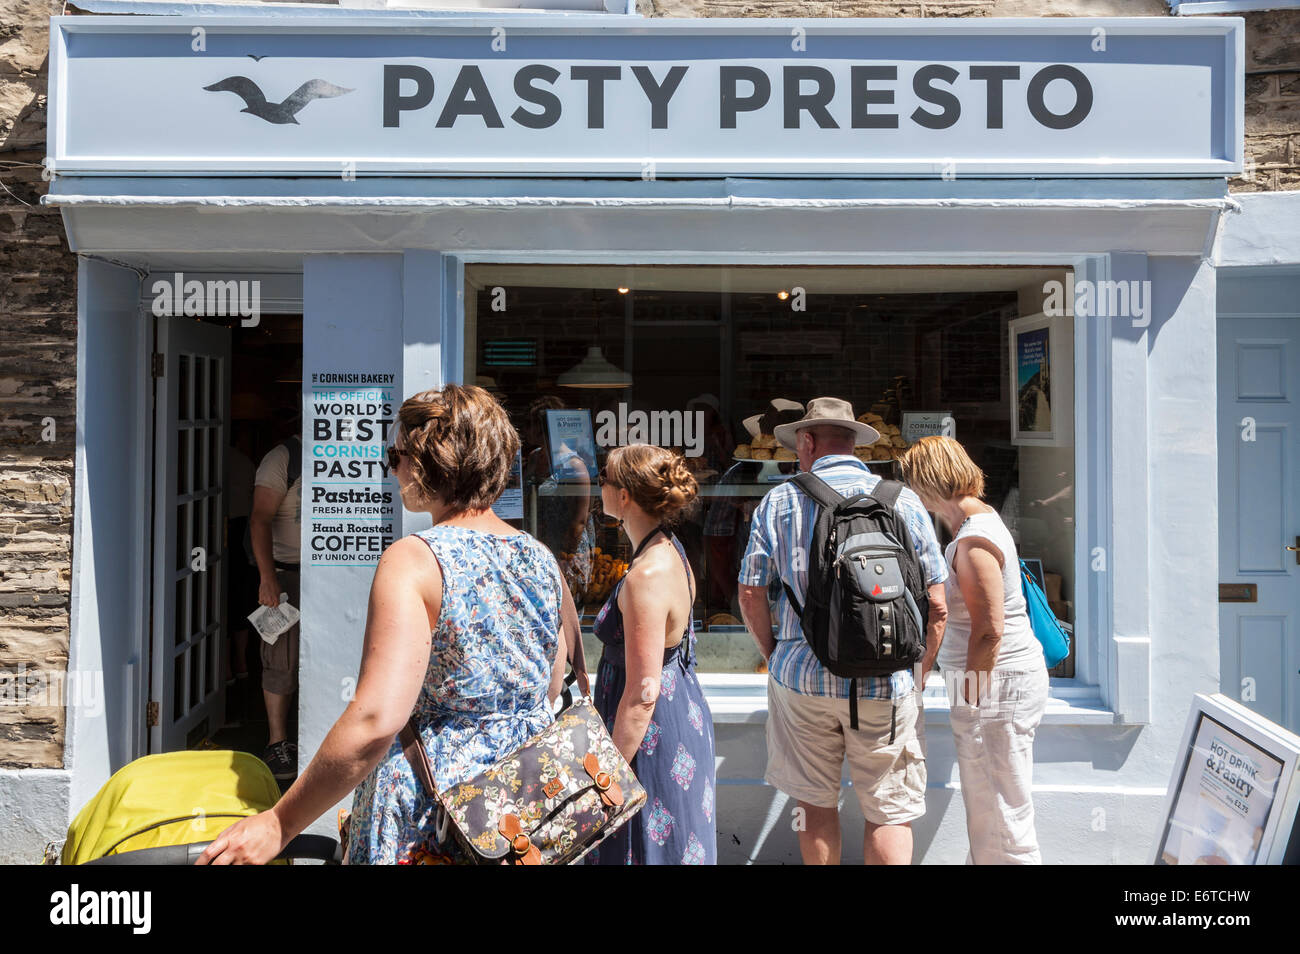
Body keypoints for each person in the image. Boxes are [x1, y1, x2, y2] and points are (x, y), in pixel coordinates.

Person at [197, 384, 581, 865]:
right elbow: (547, 688)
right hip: (525, 807)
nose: (392, 467)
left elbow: (377, 719)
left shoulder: (417, 560)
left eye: (395, 454)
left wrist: (280, 822)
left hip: (434, 811)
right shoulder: (539, 557)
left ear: (427, 462)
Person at [737, 397, 948, 865]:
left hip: (803, 681)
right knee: (889, 811)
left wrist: (778, 657)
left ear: (808, 442)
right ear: (854, 443)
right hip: (888, 681)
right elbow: (937, 604)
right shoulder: (903, 500)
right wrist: (919, 675)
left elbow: (750, 593)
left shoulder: (781, 499)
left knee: (814, 805)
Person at [898, 435, 1049, 865]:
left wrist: (971, 697)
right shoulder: (977, 526)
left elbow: (989, 631)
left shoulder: (975, 539)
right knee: (993, 813)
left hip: (996, 688)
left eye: (912, 484)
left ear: (927, 483)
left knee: (1001, 816)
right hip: (998, 686)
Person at [585, 444, 717, 865]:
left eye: (603, 478)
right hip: (673, 715)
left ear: (623, 496)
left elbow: (643, 692)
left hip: (650, 735)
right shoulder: (668, 549)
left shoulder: (648, 575)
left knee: (644, 847)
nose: (597, 486)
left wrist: (605, 778)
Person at [249, 422, 302, 782]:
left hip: (334, 574)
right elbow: (259, 519)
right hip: (287, 574)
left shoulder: (352, 455)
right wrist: (268, 578)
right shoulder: (283, 457)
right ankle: (278, 742)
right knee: (280, 658)